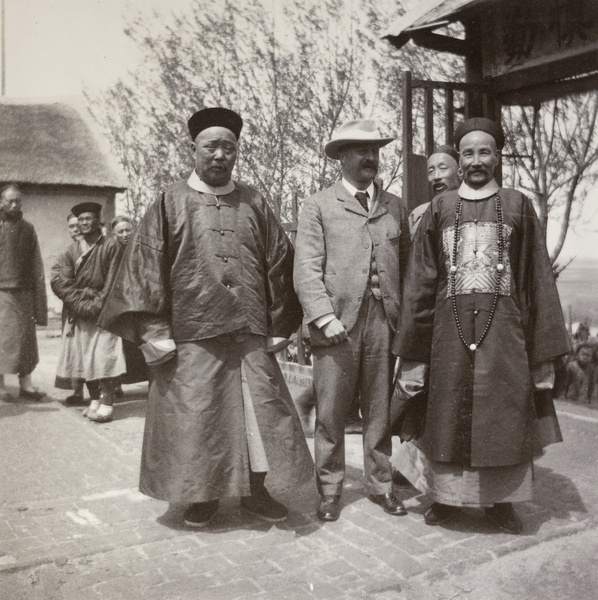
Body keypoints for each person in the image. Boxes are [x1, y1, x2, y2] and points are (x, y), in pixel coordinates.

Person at [99, 107, 313, 528]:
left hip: (250, 329)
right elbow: (145, 265)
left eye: (228, 148)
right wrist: (154, 330)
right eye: (210, 146)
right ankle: (202, 496)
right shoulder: (169, 200)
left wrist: (279, 323)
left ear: (237, 152)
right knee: (198, 416)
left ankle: (256, 490)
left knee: (259, 413)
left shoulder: (254, 200)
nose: (219, 155)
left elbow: (278, 261)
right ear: (192, 148)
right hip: (191, 332)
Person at [393, 117, 571, 534]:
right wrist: (414, 352)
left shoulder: (518, 204)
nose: (476, 161)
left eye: (485, 152)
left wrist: (542, 352)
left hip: (505, 336)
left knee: (504, 417)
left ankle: (502, 504)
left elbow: (537, 277)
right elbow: (420, 282)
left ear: (497, 157)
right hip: (447, 336)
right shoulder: (439, 208)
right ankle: (448, 500)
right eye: (468, 153)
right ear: (459, 158)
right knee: (446, 414)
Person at [294, 119, 410, 522]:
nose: (370, 158)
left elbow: (408, 267)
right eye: (360, 151)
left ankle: (381, 485)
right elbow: (306, 269)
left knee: (379, 411)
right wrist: (324, 318)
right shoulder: (318, 205)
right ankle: (329, 490)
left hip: (383, 323)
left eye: (375, 151)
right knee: (330, 413)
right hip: (336, 325)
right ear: (341, 157)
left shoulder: (395, 206)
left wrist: (403, 322)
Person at [52, 202, 126, 423]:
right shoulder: (72, 250)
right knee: (86, 358)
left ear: (97, 220)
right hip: (80, 309)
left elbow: (114, 280)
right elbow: (60, 280)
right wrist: (80, 305)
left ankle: (107, 403)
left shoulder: (111, 245)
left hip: (105, 311)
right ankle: (94, 399)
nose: (84, 223)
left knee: (105, 355)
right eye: (80, 219)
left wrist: (97, 305)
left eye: (88, 218)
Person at [0, 184, 47, 401]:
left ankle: (26, 385)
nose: (14, 204)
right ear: (1, 202)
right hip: (2, 292)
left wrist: (38, 296)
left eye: (17, 200)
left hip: (25, 292)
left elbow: (37, 264)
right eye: (9, 200)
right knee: (3, 339)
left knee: (26, 340)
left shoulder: (29, 229)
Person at [110, 215, 147, 388]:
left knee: (138, 345)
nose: (125, 234)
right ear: (114, 234)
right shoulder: (111, 251)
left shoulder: (140, 250)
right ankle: (116, 384)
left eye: (128, 230)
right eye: (120, 231)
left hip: (137, 303)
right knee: (118, 346)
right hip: (117, 304)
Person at [408, 145, 461, 238]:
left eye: (443, 168)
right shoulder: (417, 214)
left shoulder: (472, 207)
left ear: (460, 172)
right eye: (431, 171)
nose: (436, 177)